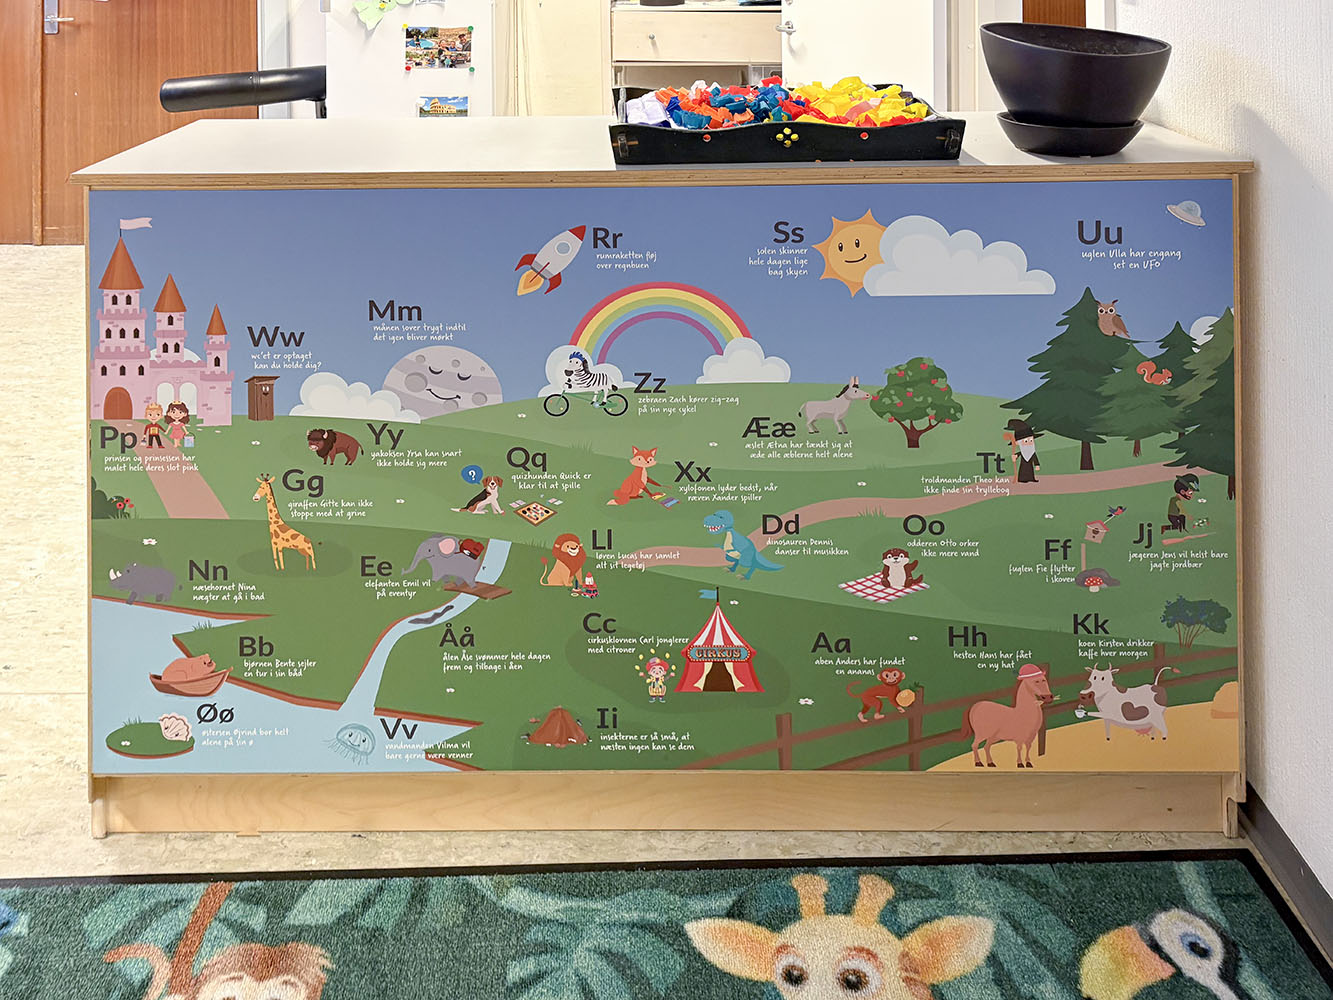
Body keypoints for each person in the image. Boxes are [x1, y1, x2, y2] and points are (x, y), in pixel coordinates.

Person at [1004, 418, 1042, 483]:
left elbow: (1035, 458)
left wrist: (1037, 465)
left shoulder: (1032, 452)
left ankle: (1031, 478)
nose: (1029, 443)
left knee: (1030, 470)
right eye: (1026, 441)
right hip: (1023, 465)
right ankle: (1022, 479)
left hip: (1030, 466)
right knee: (1023, 469)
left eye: (1031, 440)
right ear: (1018, 443)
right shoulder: (1023, 451)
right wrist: (1015, 456)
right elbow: (1019, 453)